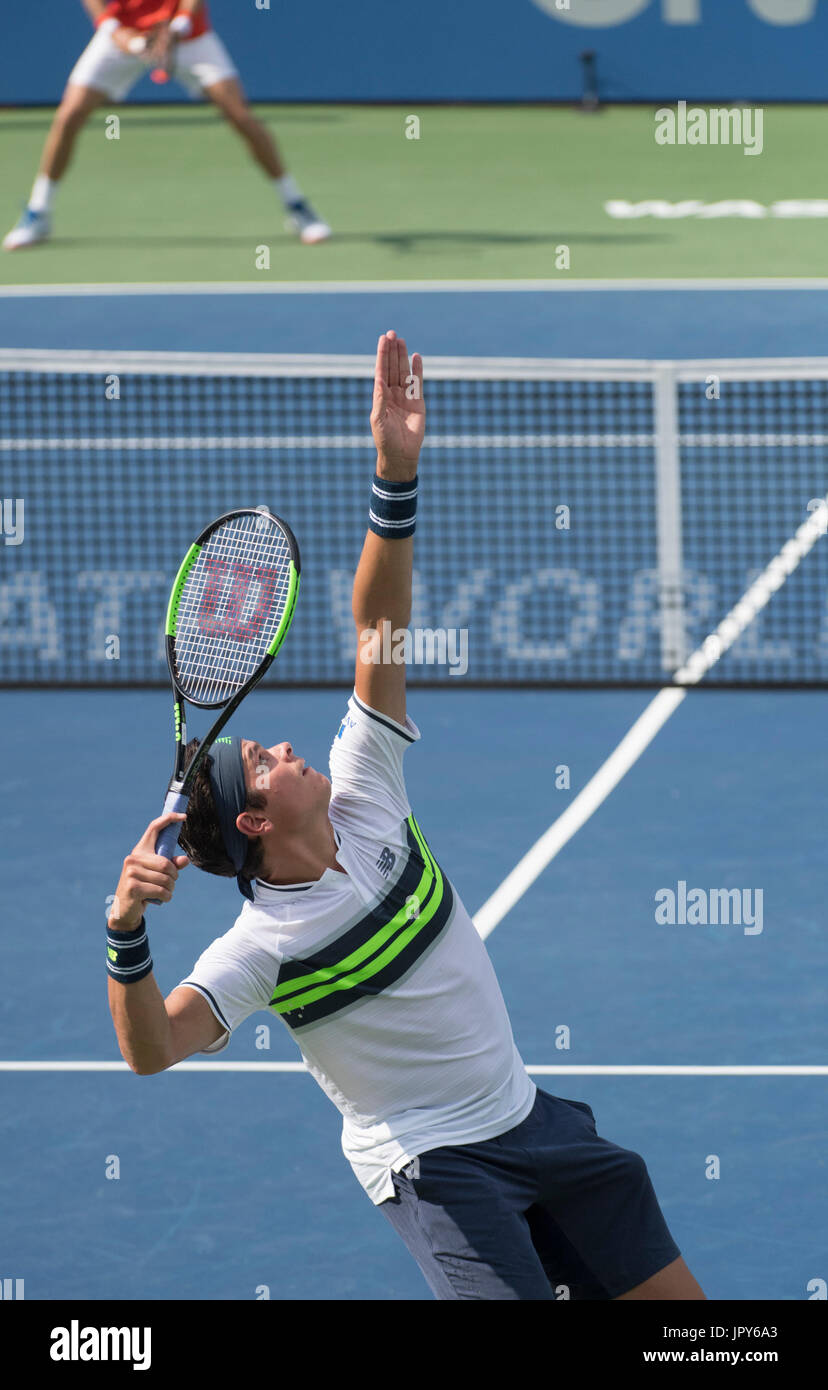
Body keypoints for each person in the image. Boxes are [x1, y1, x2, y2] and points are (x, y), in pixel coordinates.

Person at [106, 330, 706, 1301]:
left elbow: (377, 630)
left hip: (532, 1119)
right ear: (253, 821)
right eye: (265, 760)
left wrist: (396, 477)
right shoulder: (261, 947)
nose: (289, 747)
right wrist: (126, 934)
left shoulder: (367, 784)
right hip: (436, 1171)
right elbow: (150, 1052)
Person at [3, 0, 329, 251]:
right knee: (69, 114)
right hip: (123, 35)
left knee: (241, 117)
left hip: (188, 38)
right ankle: (39, 211)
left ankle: (295, 203)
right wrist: (125, 38)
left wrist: (178, 27)